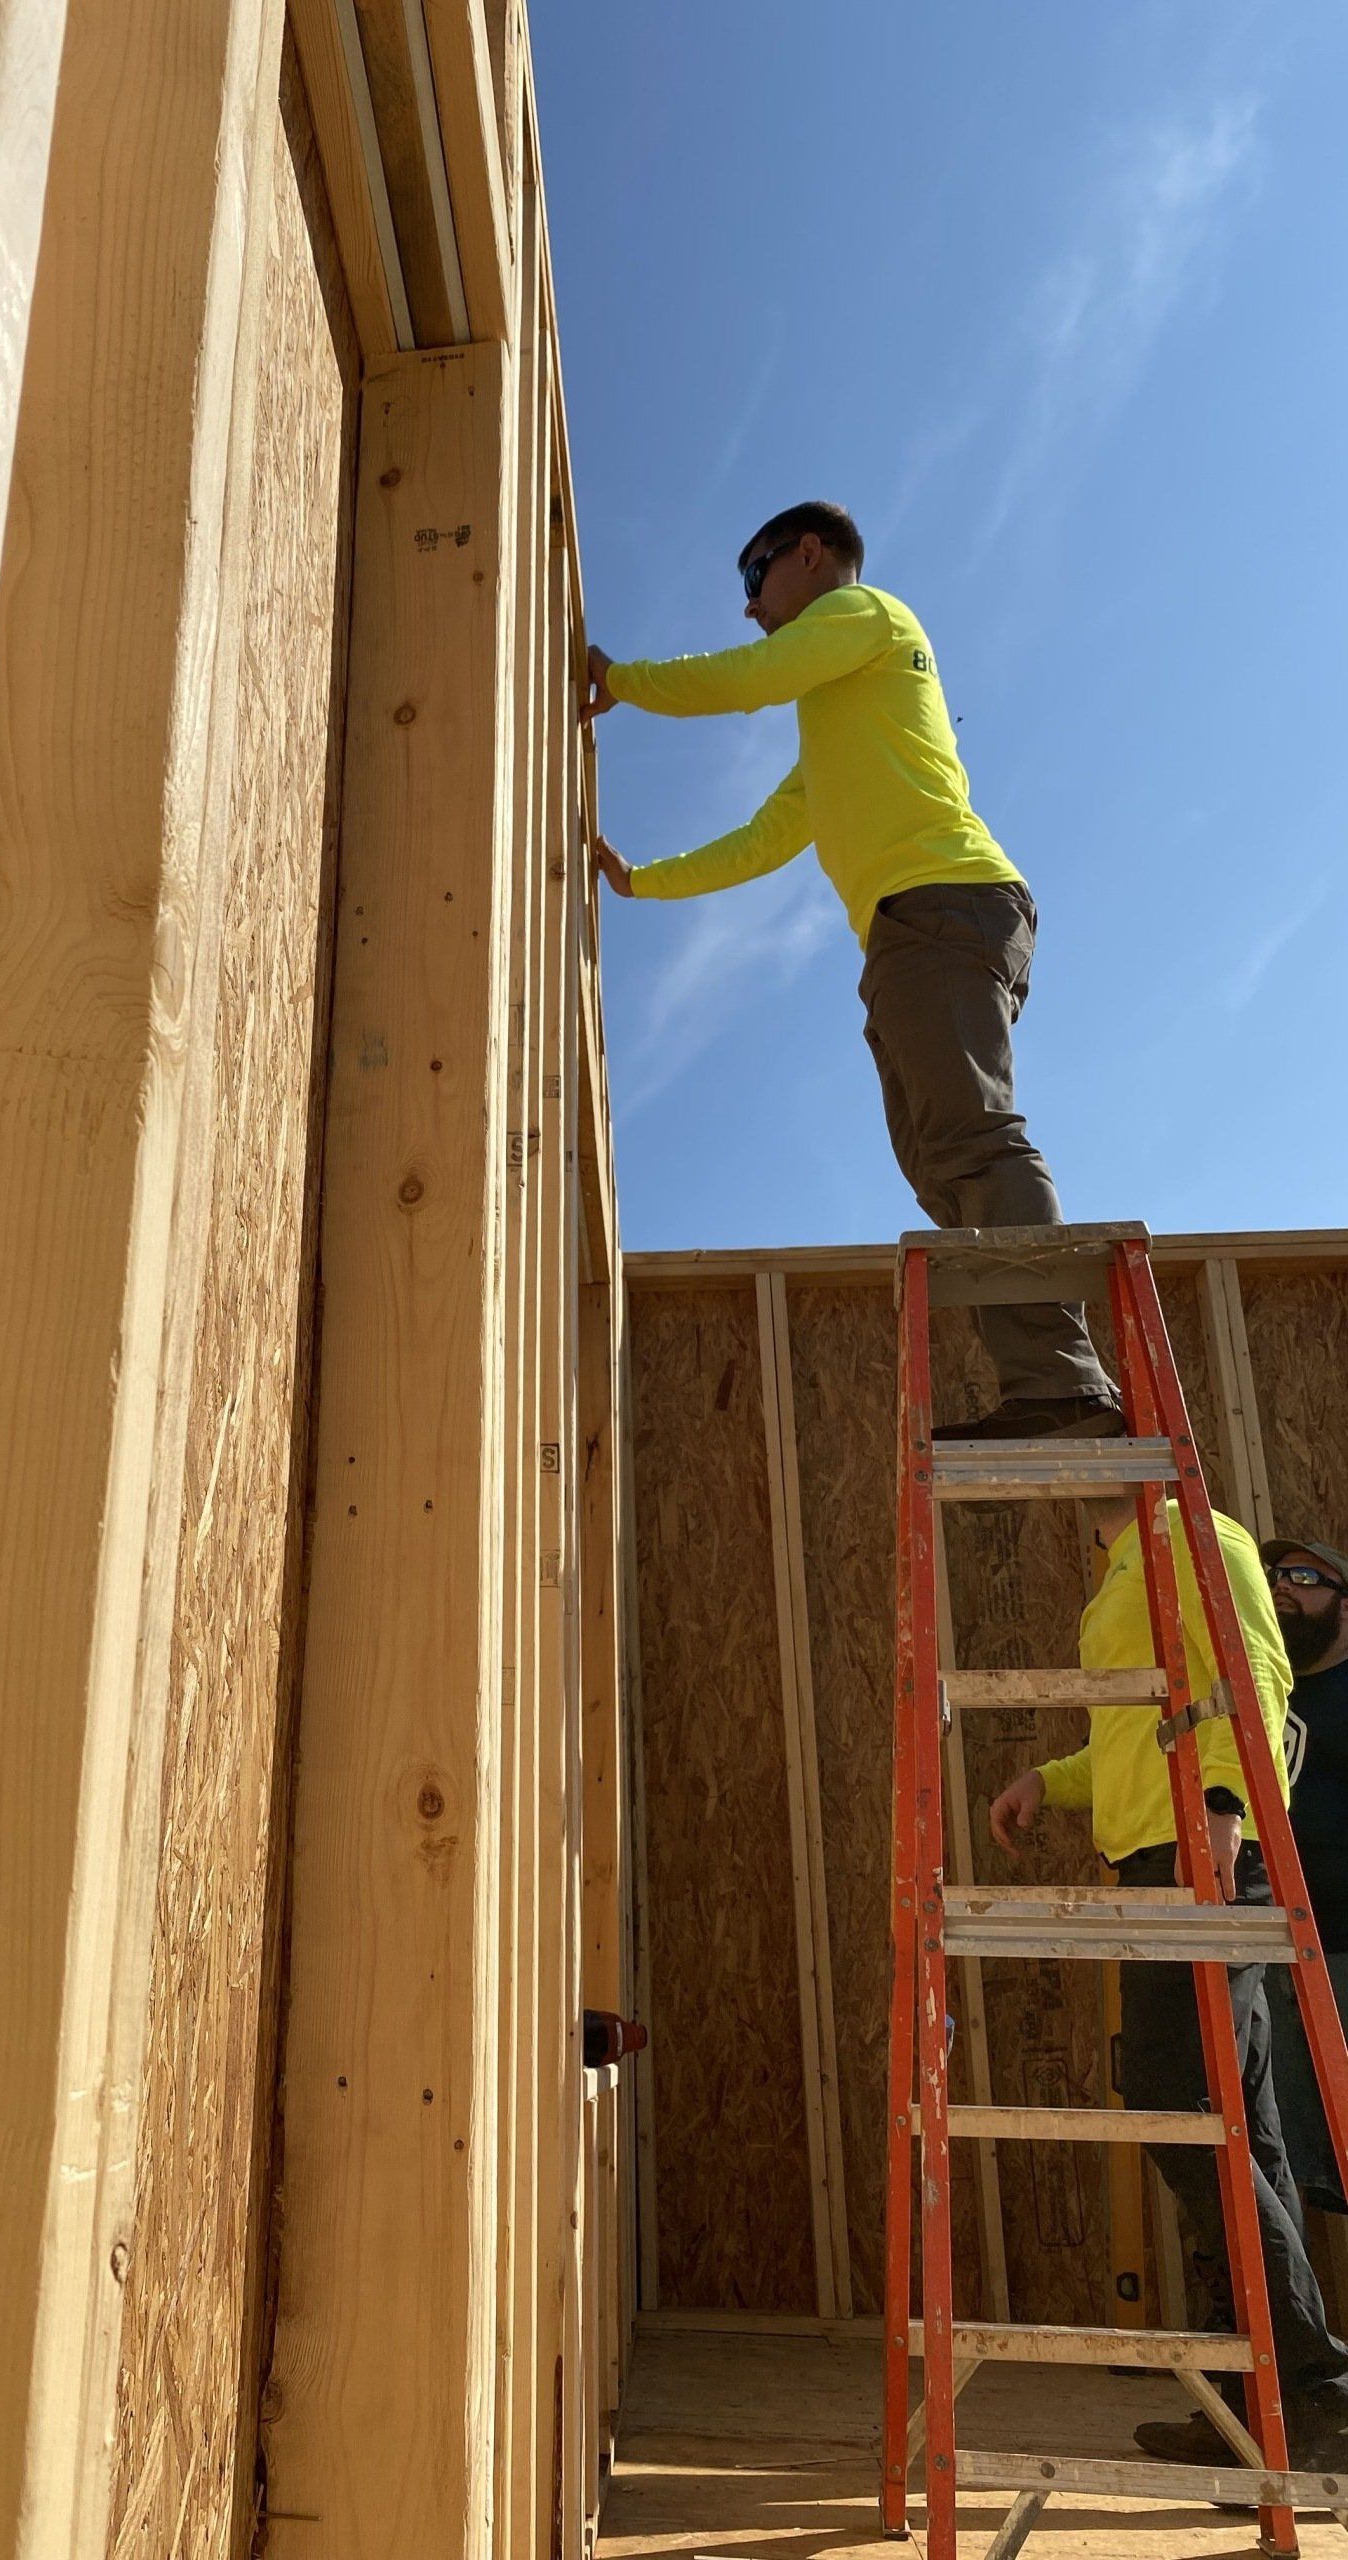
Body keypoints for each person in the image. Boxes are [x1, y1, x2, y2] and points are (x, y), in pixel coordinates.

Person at [581, 499, 1118, 1440]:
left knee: (974, 1141)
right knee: (940, 1160)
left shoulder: (865, 619)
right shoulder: (838, 704)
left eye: (755, 577)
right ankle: (1045, 1385)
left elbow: (750, 676)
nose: (749, 607)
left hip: (943, 906)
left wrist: (619, 679)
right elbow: (770, 835)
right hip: (917, 928)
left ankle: (1065, 1386)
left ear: (812, 553)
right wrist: (644, 884)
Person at [988, 1492, 1348, 2469]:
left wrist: (1227, 1802)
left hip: (1200, 1859)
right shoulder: (1123, 1562)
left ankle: (1313, 2386)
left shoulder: (1189, 1530)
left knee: (1181, 2101)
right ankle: (1252, 2408)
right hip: (1169, 1858)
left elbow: (1257, 1677)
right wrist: (1051, 1783)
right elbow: (1141, 1734)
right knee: (1244, 2130)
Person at [1260, 1538, 1348, 2216]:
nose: (1283, 1587)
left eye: (1305, 1577)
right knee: (1294, 2173)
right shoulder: (1261, 1692)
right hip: (1280, 1957)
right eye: (1273, 1577)